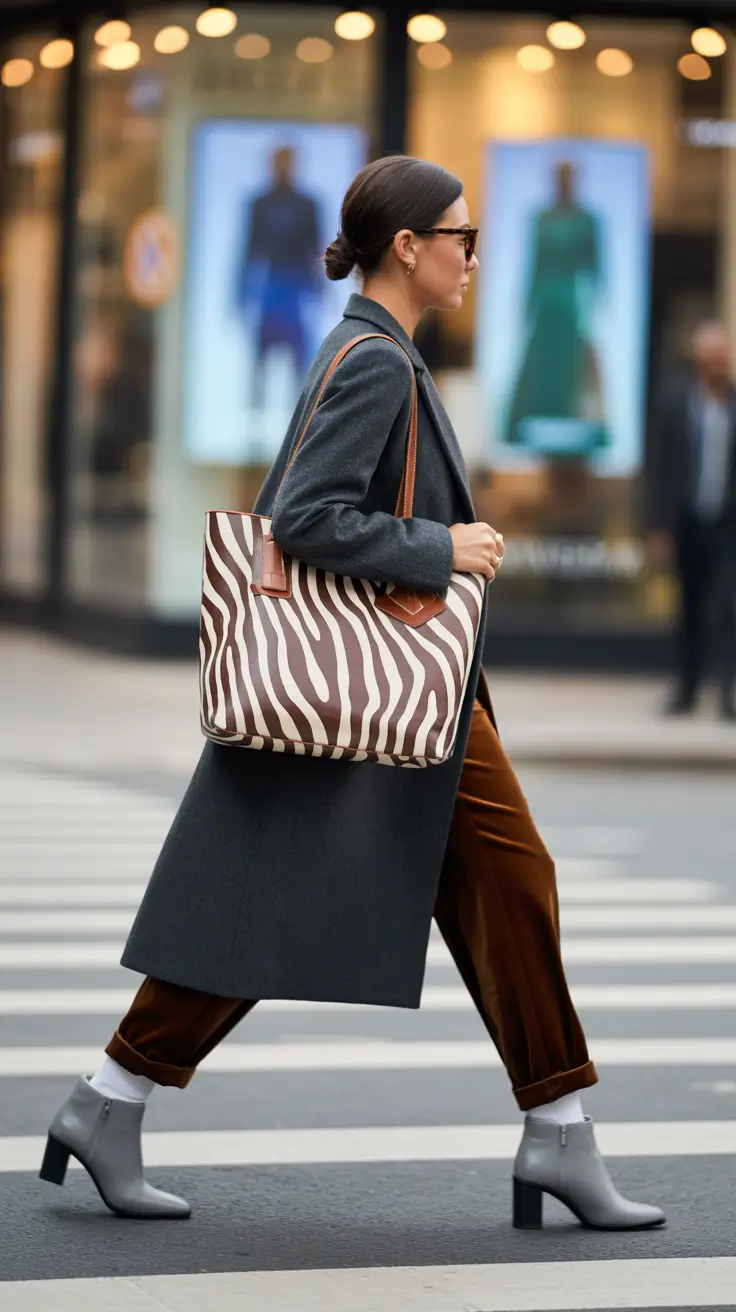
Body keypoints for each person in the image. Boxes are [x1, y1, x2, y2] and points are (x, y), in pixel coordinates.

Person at [40, 156, 664, 1233]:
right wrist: (442, 547)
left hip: (391, 692)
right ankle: (555, 1132)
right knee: (482, 883)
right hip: (387, 692)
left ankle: (111, 1099)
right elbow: (303, 517)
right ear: (409, 247)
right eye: (461, 237)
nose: (474, 256)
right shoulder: (374, 361)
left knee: (451, 887)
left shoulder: (380, 351)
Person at [648, 321, 736, 720]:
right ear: (699, 360)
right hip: (687, 523)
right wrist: (659, 526)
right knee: (689, 608)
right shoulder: (677, 402)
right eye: (710, 358)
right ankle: (687, 689)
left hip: (727, 526)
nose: (717, 365)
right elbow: (661, 466)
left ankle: (728, 693)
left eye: (722, 358)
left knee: (728, 607)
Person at [505, 159, 606, 454]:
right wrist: (526, 304)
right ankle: (523, 426)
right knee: (539, 362)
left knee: (569, 364)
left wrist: (596, 306)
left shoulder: (587, 221)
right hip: (545, 301)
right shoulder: (541, 219)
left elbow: (595, 268)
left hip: (570, 302)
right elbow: (533, 265)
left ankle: (569, 432)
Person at [233, 144, 323, 410]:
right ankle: (255, 413)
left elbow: (316, 250)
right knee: (261, 354)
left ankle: (300, 412)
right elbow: (249, 250)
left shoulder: (308, 205)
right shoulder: (260, 204)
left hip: (297, 287)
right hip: (271, 284)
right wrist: (241, 292)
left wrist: (320, 287)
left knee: (299, 357)